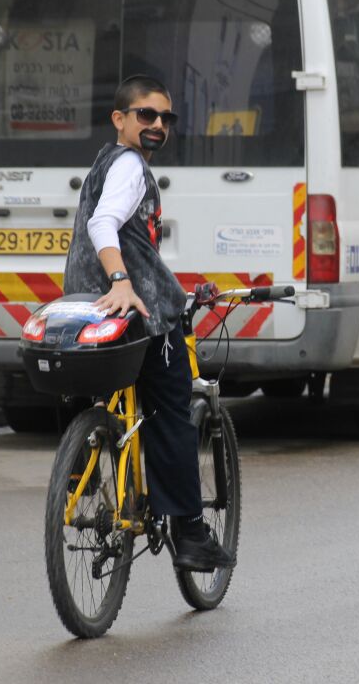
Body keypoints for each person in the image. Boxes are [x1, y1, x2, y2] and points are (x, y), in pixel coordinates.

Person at [63, 75, 234, 572]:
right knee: (172, 411)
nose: (158, 125)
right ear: (120, 119)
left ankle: (83, 473)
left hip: (91, 306)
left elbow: (133, 242)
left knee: (105, 396)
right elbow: (103, 223)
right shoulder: (130, 166)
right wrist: (121, 281)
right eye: (146, 115)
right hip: (138, 313)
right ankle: (191, 535)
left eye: (166, 118)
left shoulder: (103, 161)